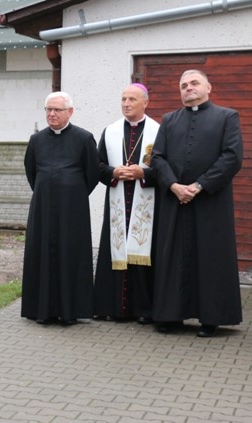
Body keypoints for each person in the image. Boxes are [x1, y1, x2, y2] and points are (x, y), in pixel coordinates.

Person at [151, 70, 243, 337]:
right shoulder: (169, 120)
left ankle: (210, 319)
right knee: (173, 258)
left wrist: (199, 185)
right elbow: (157, 158)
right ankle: (171, 316)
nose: (188, 88)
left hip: (210, 202)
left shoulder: (227, 117)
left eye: (194, 83)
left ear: (208, 88)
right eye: (183, 85)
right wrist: (173, 185)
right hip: (175, 200)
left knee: (210, 257)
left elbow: (231, 157)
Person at [21, 91, 99, 325]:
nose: (52, 114)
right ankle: (42, 310)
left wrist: (71, 193)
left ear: (70, 112)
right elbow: (31, 171)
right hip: (43, 208)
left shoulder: (84, 138)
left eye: (57, 110)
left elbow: (92, 174)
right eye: (48, 110)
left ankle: (70, 311)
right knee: (41, 254)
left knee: (70, 255)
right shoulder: (37, 140)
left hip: (72, 211)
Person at [93, 84, 160, 324]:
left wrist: (144, 174)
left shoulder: (158, 131)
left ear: (145, 103)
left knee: (143, 251)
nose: (126, 103)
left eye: (132, 99)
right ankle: (111, 308)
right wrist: (114, 171)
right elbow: (97, 166)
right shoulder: (110, 131)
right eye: (123, 99)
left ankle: (144, 309)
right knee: (115, 253)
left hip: (146, 205)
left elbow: (165, 167)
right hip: (117, 203)